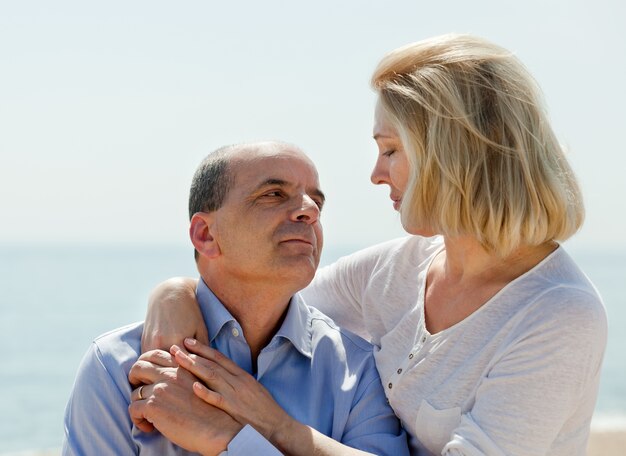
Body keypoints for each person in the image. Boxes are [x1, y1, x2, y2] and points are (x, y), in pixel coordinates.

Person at [142, 34, 607, 455]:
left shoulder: (559, 315)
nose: (376, 174)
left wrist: (265, 425)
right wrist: (175, 292)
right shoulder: (394, 270)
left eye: (390, 150)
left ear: (448, 154)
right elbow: (262, 295)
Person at [62, 141, 409, 455]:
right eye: (273, 194)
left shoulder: (359, 370)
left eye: (316, 201)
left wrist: (232, 441)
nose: (310, 211)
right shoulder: (117, 366)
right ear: (205, 234)